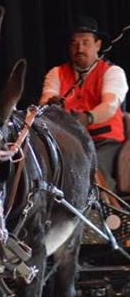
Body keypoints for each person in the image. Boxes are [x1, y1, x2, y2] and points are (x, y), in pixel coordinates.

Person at [39, 15, 128, 191]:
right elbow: (44, 102)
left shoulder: (112, 72)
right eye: (74, 43)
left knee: (92, 170)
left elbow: (110, 106)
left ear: (98, 45)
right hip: (68, 142)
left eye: (85, 42)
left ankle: (108, 211)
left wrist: (88, 117)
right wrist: (51, 104)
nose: (79, 48)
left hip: (104, 141)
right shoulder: (56, 73)